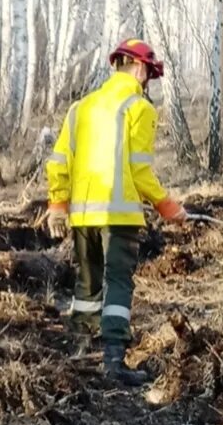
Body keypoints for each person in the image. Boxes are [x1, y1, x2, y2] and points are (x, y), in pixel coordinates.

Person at [44, 39, 187, 387]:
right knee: (118, 285)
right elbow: (139, 170)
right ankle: (113, 360)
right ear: (139, 69)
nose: (146, 84)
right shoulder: (138, 108)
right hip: (118, 215)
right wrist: (167, 206)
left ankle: (80, 351)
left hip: (81, 217)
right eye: (148, 76)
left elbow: (59, 160)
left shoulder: (81, 108)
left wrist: (58, 205)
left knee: (87, 282)